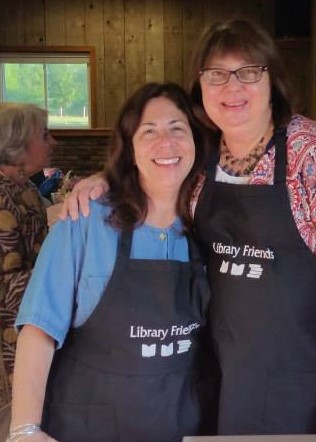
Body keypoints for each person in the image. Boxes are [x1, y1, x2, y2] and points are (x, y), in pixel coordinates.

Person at [62, 20, 316, 442]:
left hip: (299, 381)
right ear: (201, 86)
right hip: (215, 376)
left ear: (272, 80)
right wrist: (103, 180)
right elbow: (151, 168)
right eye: (216, 74)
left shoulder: (312, 153)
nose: (232, 88)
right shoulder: (202, 152)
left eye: (248, 72)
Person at [9, 83, 212, 442]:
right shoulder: (86, 219)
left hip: (179, 425)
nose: (165, 143)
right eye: (149, 131)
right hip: (87, 424)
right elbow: (39, 330)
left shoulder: (210, 223)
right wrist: (25, 429)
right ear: (130, 149)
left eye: (177, 129)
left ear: (196, 141)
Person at [0, 103, 55, 417]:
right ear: (17, 143)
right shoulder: (3, 195)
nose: (52, 142)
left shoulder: (27, 188)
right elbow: (6, 285)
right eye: (44, 135)